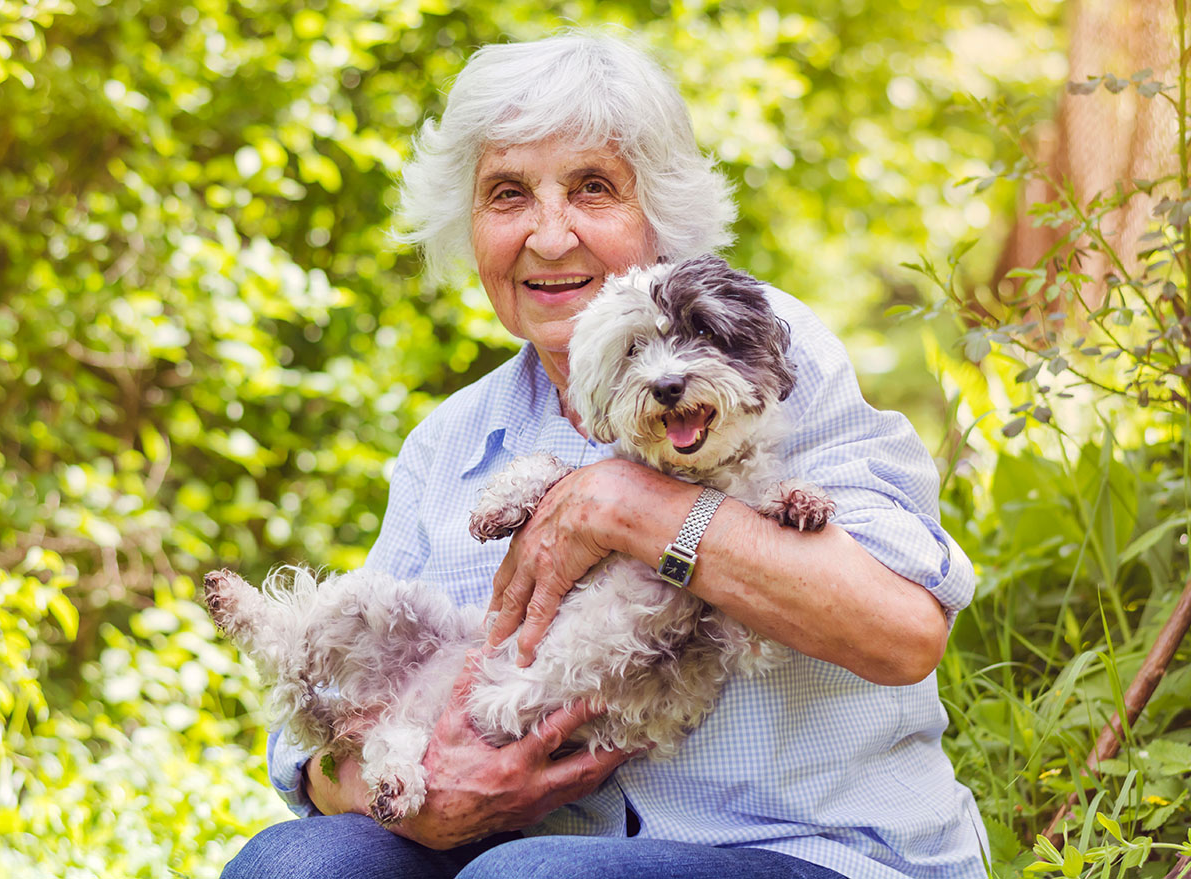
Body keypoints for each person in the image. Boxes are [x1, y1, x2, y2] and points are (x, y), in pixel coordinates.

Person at [222, 32, 986, 879]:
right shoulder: (452, 441)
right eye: (507, 194)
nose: (550, 238)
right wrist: (413, 793)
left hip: (801, 849)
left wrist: (635, 507)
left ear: (658, 209)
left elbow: (905, 631)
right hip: (512, 854)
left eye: (593, 187)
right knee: (293, 864)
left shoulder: (764, 348)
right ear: (467, 227)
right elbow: (312, 745)